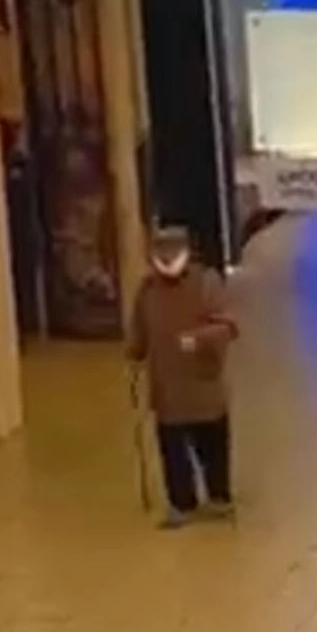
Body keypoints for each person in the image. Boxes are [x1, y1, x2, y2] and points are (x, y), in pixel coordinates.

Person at [126, 226, 238, 529]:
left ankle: (218, 496)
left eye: (172, 251)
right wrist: (134, 354)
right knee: (173, 449)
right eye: (160, 252)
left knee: (211, 444)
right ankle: (181, 502)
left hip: (204, 384)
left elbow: (229, 326)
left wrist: (200, 339)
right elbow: (139, 332)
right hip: (167, 388)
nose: (166, 258)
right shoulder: (147, 290)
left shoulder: (207, 282)